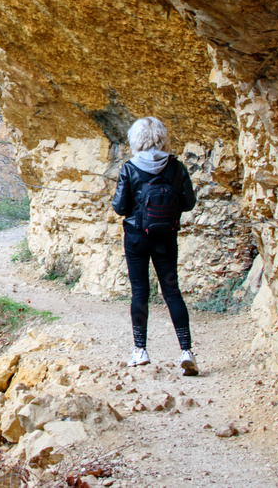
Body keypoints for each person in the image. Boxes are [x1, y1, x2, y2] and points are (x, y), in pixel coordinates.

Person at [111, 117, 198, 376]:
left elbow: (120, 207)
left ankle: (140, 350)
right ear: (162, 137)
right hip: (166, 238)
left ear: (136, 139)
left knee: (140, 292)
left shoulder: (129, 168)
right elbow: (189, 203)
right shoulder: (176, 167)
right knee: (172, 292)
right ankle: (186, 351)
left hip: (136, 239)